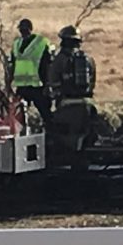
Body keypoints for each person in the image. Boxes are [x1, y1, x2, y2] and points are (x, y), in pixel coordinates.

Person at [48, 25, 98, 153]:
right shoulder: (88, 59)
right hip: (87, 104)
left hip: (66, 104)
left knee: (60, 134)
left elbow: (53, 82)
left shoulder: (59, 60)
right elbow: (92, 81)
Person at [9, 18, 53, 124]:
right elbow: (13, 65)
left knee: (45, 114)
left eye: (24, 29)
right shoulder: (16, 44)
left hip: (37, 86)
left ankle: (50, 134)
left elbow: (47, 65)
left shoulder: (41, 43)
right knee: (18, 117)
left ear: (30, 29)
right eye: (21, 29)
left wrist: (47, 84)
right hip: (23, 87)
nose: (23, 32)